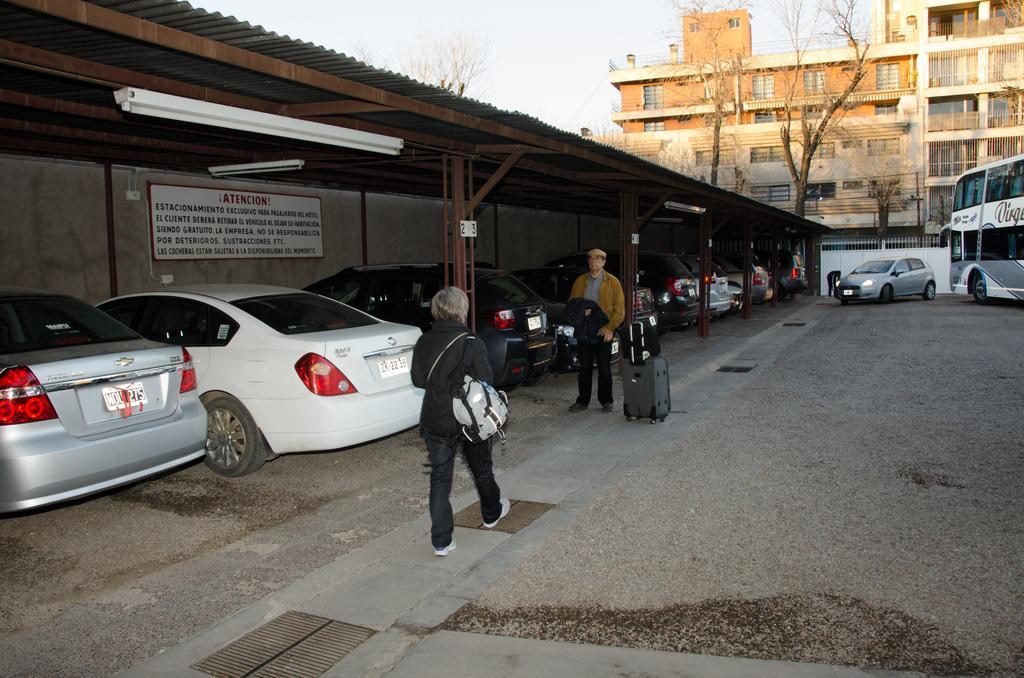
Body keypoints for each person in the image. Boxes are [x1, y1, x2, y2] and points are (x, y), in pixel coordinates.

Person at [411, 287, 510, 556]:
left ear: (436, 310)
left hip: (436, 419)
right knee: (481, 470)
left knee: (440, 480)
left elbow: (418, 380)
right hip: (469, 421)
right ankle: (492, 514)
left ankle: (442, 542)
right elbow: (486, 377)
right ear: (461, 311)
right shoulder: (470, 342)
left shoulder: (423, 341)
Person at [567, 248, 625, 413]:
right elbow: (571, 304)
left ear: (604, 262)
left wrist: (610, 328)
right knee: (584, 368)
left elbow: (619, 310)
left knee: (604, 368)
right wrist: (581, 311)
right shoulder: (580, 281)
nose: (594, 262)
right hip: (584, 331)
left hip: (602, 331)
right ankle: (582, 401)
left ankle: (606, 401)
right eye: (591, 259)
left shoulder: (613, 282)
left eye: (598, 259)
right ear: (588, 262)